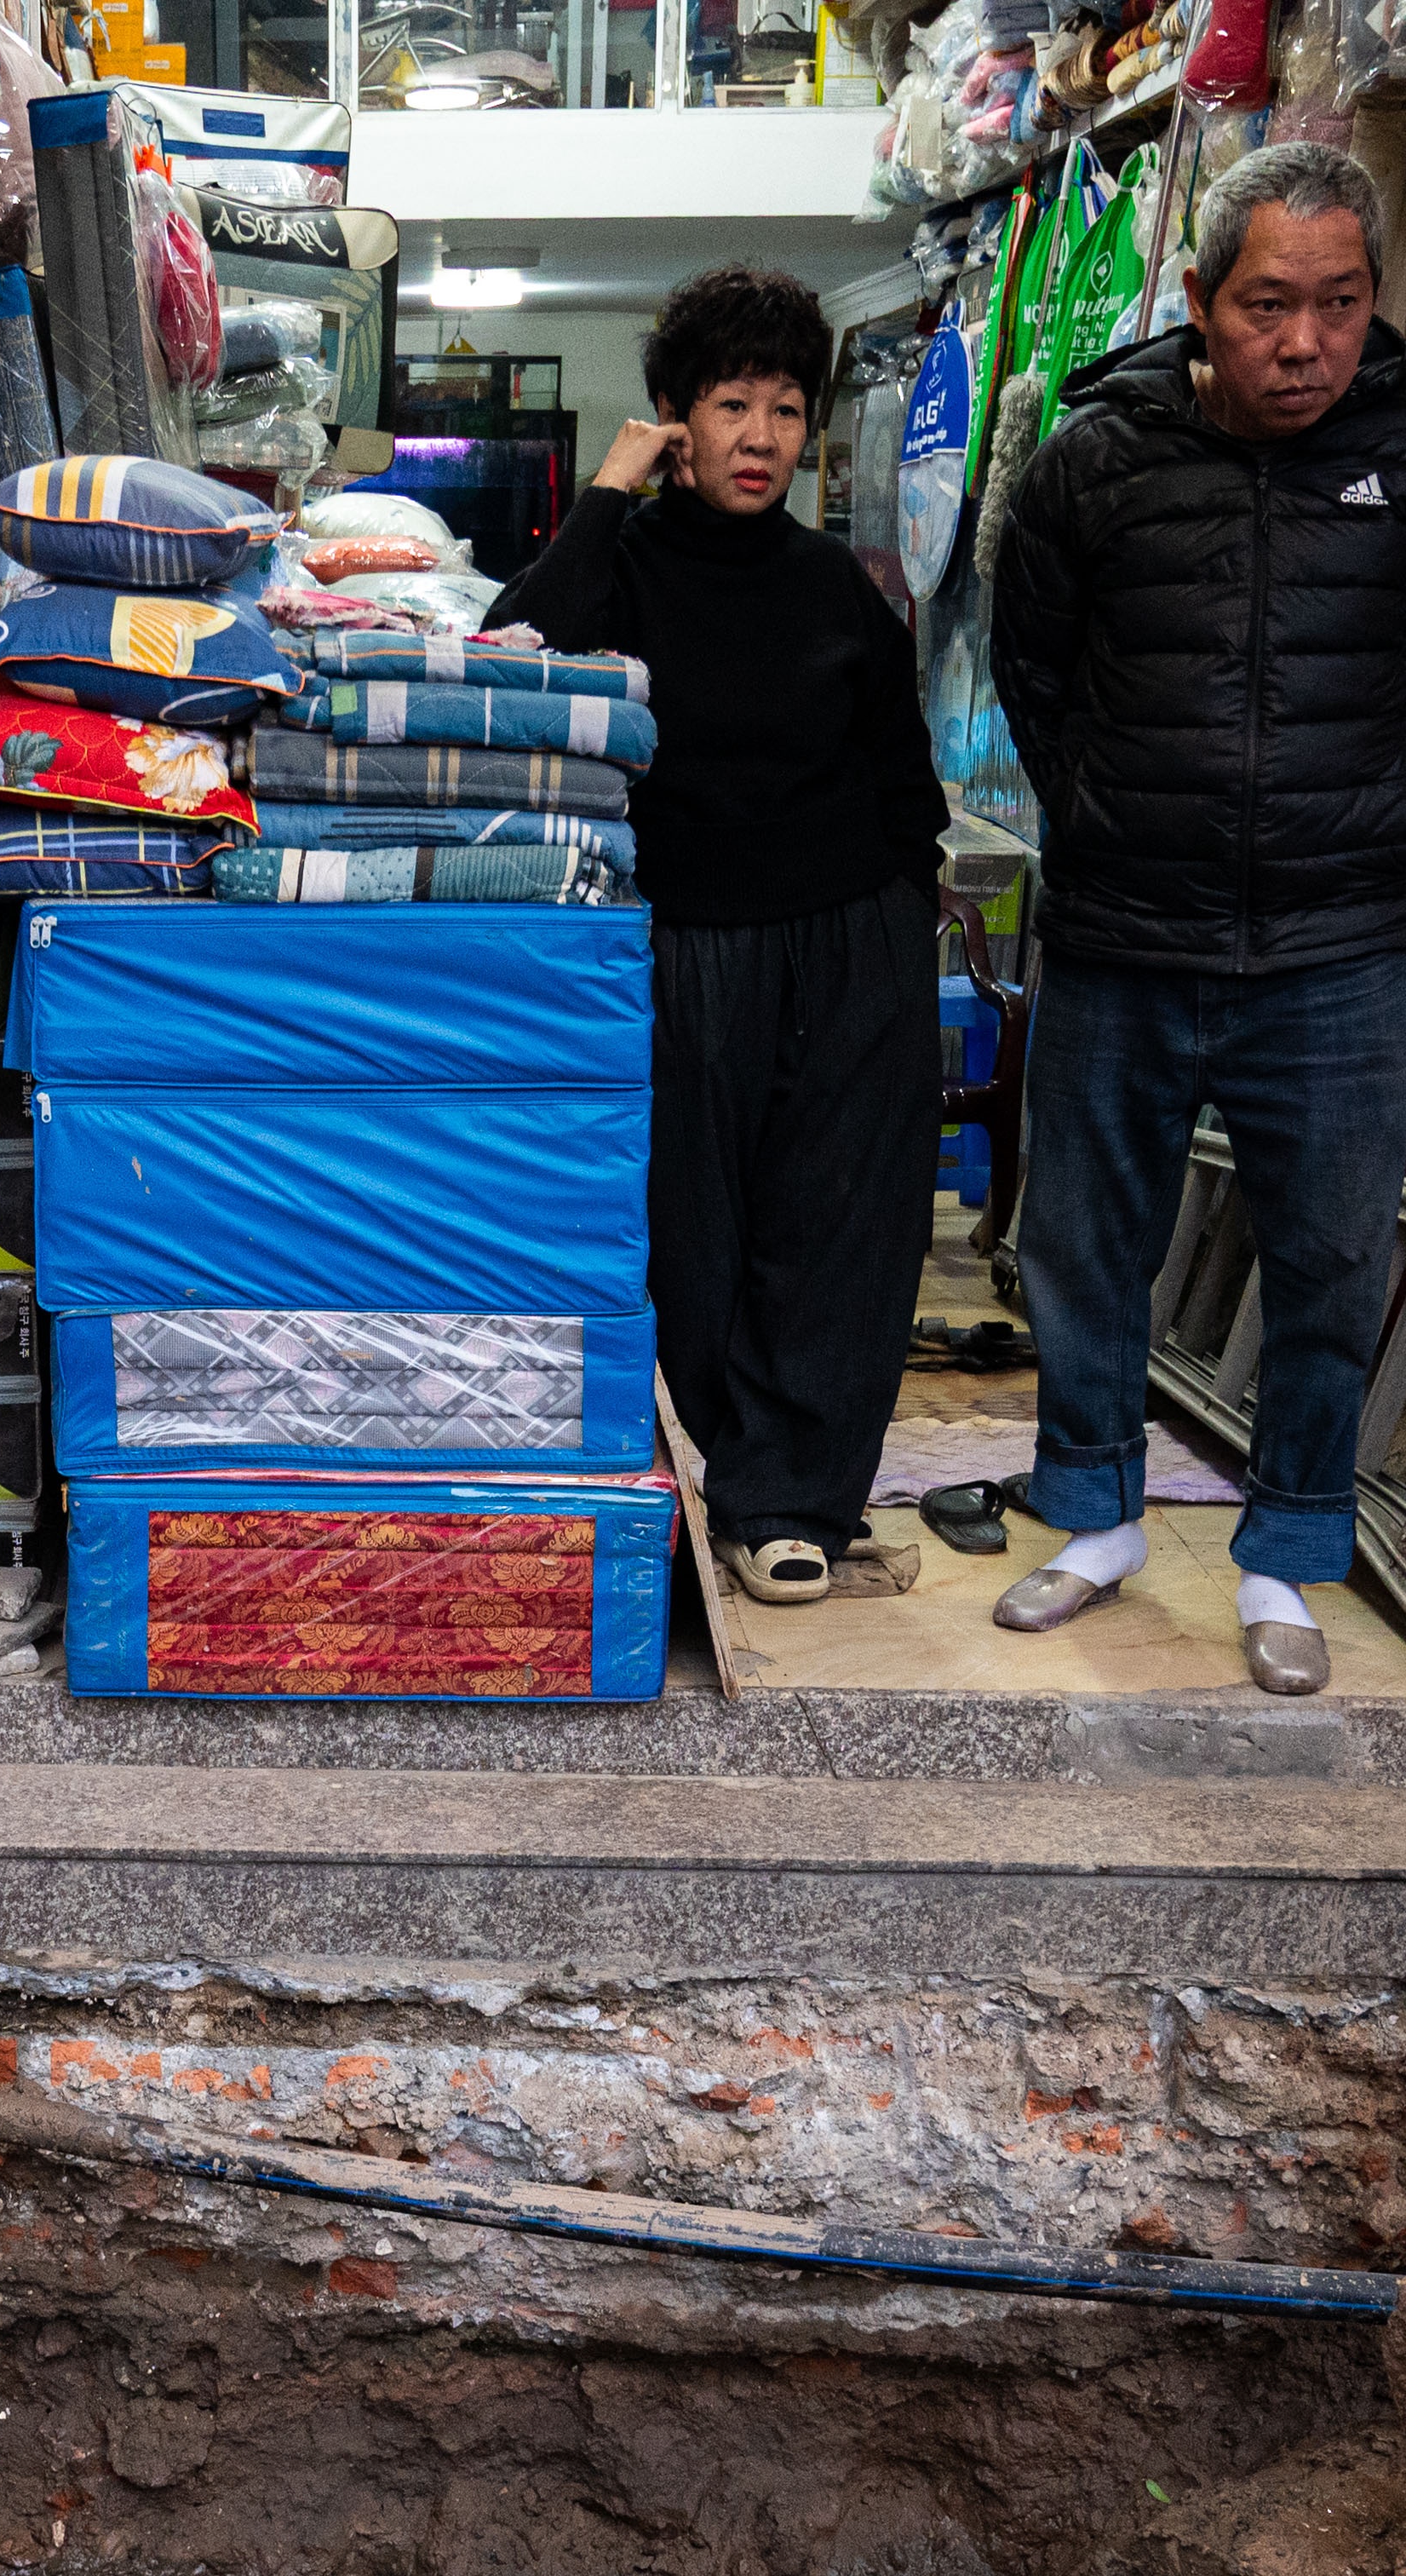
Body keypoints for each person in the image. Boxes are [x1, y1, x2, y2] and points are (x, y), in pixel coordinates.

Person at [985, 140, 1406, 1695]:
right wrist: (1113, 817)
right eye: (1272, 305)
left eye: (1340, 305)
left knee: (1330, 1256)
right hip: (1123, 930)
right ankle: (1092, 1520)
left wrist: (1343, 822)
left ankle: (1286, 1554)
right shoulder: (1095, 460)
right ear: (1204, 301)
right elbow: (1039, 673)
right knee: (1086, 1243)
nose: (1306, 342)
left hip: (1335, 950)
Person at [492, 261, 952, 1609]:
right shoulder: (619, 565)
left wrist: (903, 919)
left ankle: (793, 1498)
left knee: (845, 1218)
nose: (760, 436)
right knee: (692, 1226)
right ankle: (742, 1460)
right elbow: (508, 653)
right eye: (730, 403)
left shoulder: (835, 585)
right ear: (674, 416)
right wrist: (605, 493)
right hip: (686, 941)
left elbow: (901, 774)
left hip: (854, 933)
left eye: (785, 408)